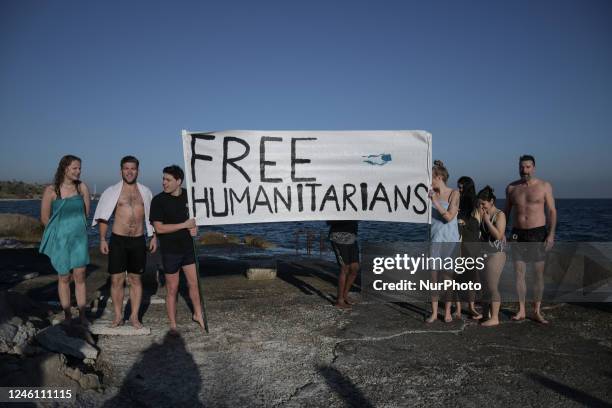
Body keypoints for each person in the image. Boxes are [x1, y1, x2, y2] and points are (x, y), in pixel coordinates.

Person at [92, 156, 157, 329]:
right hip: (118, 239)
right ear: (121, 170)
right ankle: (118, 316)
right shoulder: (112, 191)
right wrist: (102, 239)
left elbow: (152, 216)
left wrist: (153, 236)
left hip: (138, 240)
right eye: (126, 168)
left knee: (136, 279)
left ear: (138, 170)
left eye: (133, 168)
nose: (129, 171)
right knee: (116, 280)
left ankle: (135, 316)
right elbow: (103, 216)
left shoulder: (145, 191)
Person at [150, 165, 205, 334]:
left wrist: (196, 228)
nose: (164, 183)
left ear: (178, 181)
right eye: (163, 179)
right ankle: (173, 325)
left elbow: (196, 220)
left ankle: (198, 314)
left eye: (168, 180)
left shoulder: (190, 196)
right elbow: (159, 228)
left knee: (194, 284)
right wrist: (184, 225)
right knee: (172, 289)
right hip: (170, 251)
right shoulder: (158, 200)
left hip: (188, 249)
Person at [505, 155, 557, 324]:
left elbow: (552, 212)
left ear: (533, 168)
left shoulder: (544, 186)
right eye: (522, 167)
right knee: (519, 273)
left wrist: (551, 234)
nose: (524, 170)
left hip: (537, 233)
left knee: (537, 275)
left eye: (528, 167)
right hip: (517, 234)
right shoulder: (511, 188)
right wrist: (502, 233)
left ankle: (536, 310)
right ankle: (521, 310)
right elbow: (505, 212)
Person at [39, 155, 91, 325]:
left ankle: (82, 315)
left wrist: (76, 229)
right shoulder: (52, 190)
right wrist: (59, 234)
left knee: (80, 274)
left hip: (79, 238)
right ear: (65, 168)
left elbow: (86, 214)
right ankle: (68, 315)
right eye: (75, 168)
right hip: (60, 239)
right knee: (63, 277)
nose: (78, 171)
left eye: (80, 168)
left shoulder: (82, 187)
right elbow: (45, 218)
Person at [426, 160, 461, 323]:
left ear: (439, 177)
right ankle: (434, 312)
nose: (429, 181)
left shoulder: (455, 193)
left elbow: (448, 217)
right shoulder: (429, 192)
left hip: (450, 242)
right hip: (435, 240)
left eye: (431, 177)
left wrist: (434, 202)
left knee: (447, 279)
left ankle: (446, 312)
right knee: (433, 279)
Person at [476, 186, 507, 327]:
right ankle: (485, 313)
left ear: (492, 201)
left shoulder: (499, 215)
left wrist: (488, 221)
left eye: (484, 204)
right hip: (484, 252)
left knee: (492, 286)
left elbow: (499, 236)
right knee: (483, 286)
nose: (481, 206)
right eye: (480, 203)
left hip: (496, 253)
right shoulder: (482, 213)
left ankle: (495, 317)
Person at [456, 176, 482, 320]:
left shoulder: (476, 204)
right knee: (457, 276)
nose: (459, 190)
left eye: (461, 187)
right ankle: (458, 309)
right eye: (458, 187)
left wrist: (464, 222)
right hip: (459, 241)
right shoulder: (457, 200)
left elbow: (478, 224)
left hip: (472, 242)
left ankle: (471, 307)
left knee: (472, 277)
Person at [327, 220, 360, 309]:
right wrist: (346, 218)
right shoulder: (334, 206)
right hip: (338, 239)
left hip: (352, 238)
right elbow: (328, 221)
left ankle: (345, 295)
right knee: (345, 268)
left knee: (355, 268)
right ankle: (339, 301)